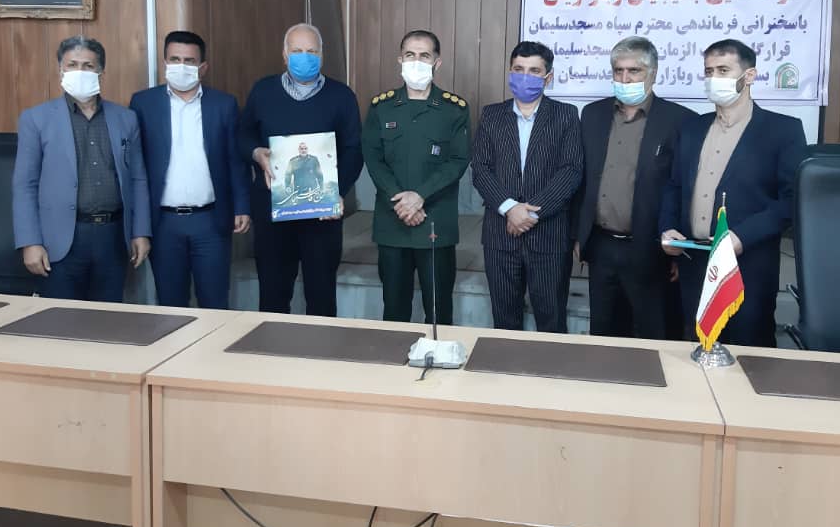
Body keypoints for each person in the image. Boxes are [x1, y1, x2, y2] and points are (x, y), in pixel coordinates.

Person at [660, 38, 807, 348]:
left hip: (748, 268)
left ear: (749, 76)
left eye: (723, 70)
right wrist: (668, 227)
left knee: (749, 356)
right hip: (695, 265)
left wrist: (742, 237)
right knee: (698, 351)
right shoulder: (691, 128)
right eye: (709, 71)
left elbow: (791, 201)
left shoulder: (783, 131)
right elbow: (674, 186)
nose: (714, 78)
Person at [13, 35, 151, 302]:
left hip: (113, 236)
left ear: (101, 72)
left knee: (109, 316)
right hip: (60, 239)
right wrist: (30, 242)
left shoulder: (126, 118)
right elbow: (24, 185)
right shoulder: (36, 118)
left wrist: (141, 232)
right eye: (72, 65)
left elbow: (138, 179)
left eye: (88, 66)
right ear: (60, 70)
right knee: (61, 319)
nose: (80, 71)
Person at [574, 37, 695, 339]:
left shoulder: (680, 121)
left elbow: (684, 189)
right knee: (604, 333)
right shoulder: (592, 114)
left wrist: (677, 252)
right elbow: (582, 178)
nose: (625, 78)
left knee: (654, 334)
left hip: (651, 248)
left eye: (634, 71)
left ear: (653, 74)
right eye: (618, 71)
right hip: (601, 246)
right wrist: (579, 235)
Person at [240, 23, 364, 316]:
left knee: (321, 296)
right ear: (285, 55)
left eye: (311, 51)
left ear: (322, 55)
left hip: (322, 213)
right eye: (297, 51)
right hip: (273, 209)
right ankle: (273, 345)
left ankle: (321, 347)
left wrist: (336, 191)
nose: (304, 57)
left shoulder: (342, 96)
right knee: (273, 294)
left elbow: (353, 150)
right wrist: (256, 153)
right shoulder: (262, 91)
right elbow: (242, 135)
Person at [129, 31, 251, 310]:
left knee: (215, 303)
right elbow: (136, 167)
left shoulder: (224, 104)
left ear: (202, 67)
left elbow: (235, 160)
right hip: (164, 223)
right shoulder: (143, 104)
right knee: (171, 306)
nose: (181, 66)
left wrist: (242, 206)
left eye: (189, 61)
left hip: (210, 221)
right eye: (175, 59)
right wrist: (139, 225)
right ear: (164, 63)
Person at [472, 41, 583, 333]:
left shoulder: (566, 115)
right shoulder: (491, 115)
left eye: (534, 71)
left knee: (552, 319)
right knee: (504, 320)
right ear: (510, 72)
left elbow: (571, 171)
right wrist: (510, 208)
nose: (525, 76)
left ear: (548, 77)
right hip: (500, 235)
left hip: (548, 235)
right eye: (519, 69)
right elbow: (480, 169)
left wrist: (530, 213)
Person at [362, 30, 470, 325]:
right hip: (392, 222)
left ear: (437, 62)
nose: (416, 61)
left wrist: (420, 196)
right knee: (394, 310)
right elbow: (374, 159)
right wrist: (402, 201)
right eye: (410, 55)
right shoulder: (381, 107)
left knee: (438, 313)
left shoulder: (454, 109)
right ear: (400, 59)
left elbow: (458, 161)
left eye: (424, 56)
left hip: (435, 223)